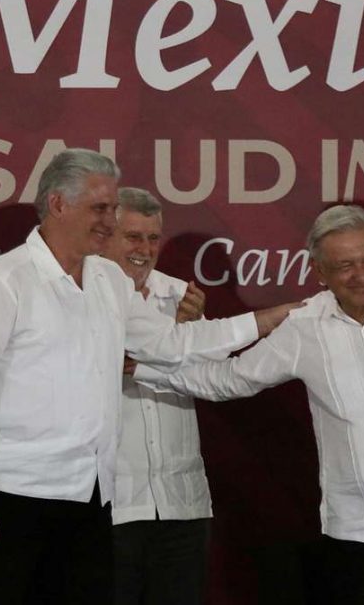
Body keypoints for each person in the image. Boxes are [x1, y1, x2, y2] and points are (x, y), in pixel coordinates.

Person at [0, 150, 289, 605]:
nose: (110, 220)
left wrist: (265, 319)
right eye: (101, 208)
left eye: (112, 208)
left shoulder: (108, 280)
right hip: (11, 494)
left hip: (93, 495)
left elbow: (171, 344)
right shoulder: (4, 282)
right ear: (58, 204)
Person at [134, 204, 364, 605]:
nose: (362, 274)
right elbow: (229, 379)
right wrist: (141, 368)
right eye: (345, 265)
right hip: (358, 530)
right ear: (318, 271)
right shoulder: (305, 325)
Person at [102, 187, 213, 605]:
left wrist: (191, 332)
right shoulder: (84, 296)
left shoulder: (184, 299)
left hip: (182, 505)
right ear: (105, 236)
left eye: (153, 238)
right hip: (112, 505)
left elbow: (213, 380)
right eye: (132, 236)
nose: (144, 249)